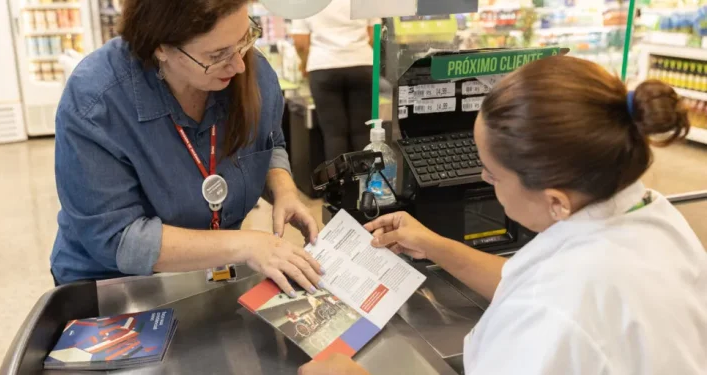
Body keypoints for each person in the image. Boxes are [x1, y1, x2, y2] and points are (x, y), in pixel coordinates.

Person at [299, 56, 707, 374]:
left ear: (555, 200)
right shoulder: (647, 211)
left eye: (491, 174)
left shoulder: (555, 311)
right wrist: (434, 245)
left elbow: (546, 300)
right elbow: (526, 281)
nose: (482, 177)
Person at [50, 0, 324, 296]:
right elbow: (118, 238)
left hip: (211, 272)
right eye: (217, 54)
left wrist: (284, 191)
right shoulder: (96, 101)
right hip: (114, 285)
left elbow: (269, 142)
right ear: (161, 48)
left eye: (245, 38)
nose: (238, 64)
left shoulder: (251, 74)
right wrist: (248, 245)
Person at [290, 0, 380, 160]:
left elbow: (300, 42)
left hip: (323, 65)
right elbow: (375, 32)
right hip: (362, 64)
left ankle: (339, 184)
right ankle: (366, 181)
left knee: (334, 135)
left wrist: (304, 64)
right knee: (363, 131)